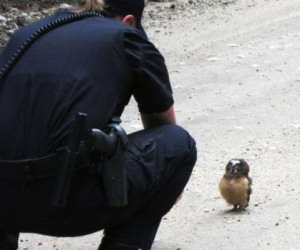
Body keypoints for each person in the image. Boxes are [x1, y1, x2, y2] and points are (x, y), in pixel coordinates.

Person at [0, 0, 197, 249]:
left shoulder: (24, 35)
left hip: (5, 205)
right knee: (179, 146)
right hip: (64, 202)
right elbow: (163, 125)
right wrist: (165, 182)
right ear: (129, 21)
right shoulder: (127, 38)